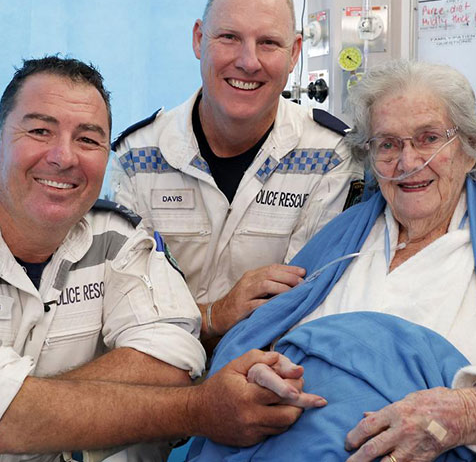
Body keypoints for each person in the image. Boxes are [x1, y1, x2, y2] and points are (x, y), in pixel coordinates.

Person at [0, 56, 327, 462]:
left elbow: (174, 362)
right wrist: (200, 410)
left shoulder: (119, 238)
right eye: (40, 131)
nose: (64, 156)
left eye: (88, 140)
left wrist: (27, 406)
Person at [188, 60, 476, 462]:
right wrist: (258, 374)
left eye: (428, 138)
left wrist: (463, 413)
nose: (408, 163)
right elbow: (263, 339)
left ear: (468, 149)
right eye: (387, 144)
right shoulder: (342, 240)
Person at [110, 0, 363, 346]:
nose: (248, 61)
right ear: (199, 40)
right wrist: (215, 314)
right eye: (229, 37)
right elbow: (127, 311)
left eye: (268, 43)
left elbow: (301, 308)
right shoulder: (137, 156)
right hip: (159, 378)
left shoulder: (331, 157)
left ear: (294, 53)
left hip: (269, 372)